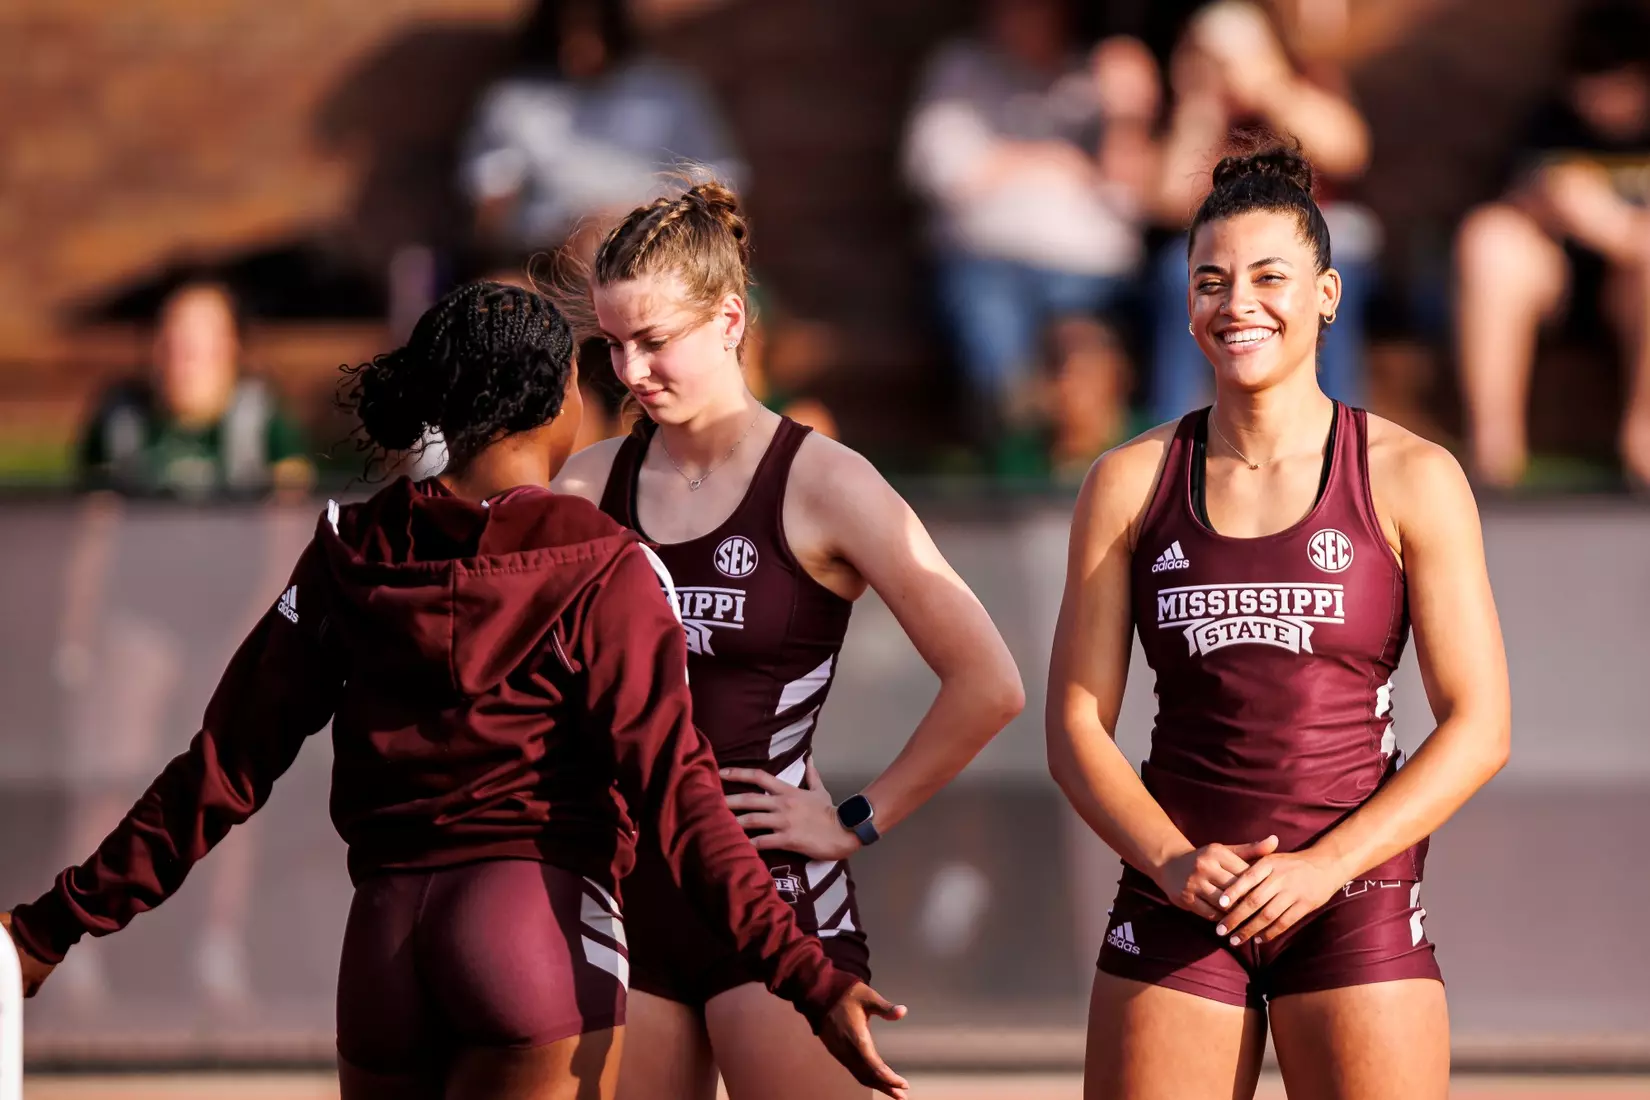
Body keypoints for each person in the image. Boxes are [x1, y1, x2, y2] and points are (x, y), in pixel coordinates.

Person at [3, 281, 911, 1100]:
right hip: (536, 942)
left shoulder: (349, 546)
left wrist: (50, 927)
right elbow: (681, 797)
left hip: (381, 954)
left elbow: (222, 767)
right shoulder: (607, 565)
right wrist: (809, 975)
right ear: (560, 402)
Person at [1046, 143, 1511, 1099]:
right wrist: (1174, 863)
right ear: (1185, 302)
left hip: (1354, 894)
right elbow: (1075, 724)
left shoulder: (1412, 476)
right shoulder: (1129, 482)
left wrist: (1322, 868)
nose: (1237, 303)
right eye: (1210, 280)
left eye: (1270, 277)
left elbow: (1480, 726)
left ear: (1329, 294)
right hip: (1180, 893)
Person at [551, 180, 1026, 1099]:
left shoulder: (825, 481)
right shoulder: (585, 485)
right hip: (620, 903)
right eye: (613, 344)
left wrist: (857, 817)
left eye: (654, 342)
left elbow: (989, 682)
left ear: (730, 320)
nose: (631, 371)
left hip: (772, 903)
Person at [902, 0, 1159, 463]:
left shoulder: (1100, 73)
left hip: (1092, 274)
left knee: (1093, 356)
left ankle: (1106, 469)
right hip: (991, 264)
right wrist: (1054, 159)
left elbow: (1133, 197)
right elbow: (935, 168)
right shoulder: (962, 70)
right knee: (994, 334)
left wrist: (1129, 118)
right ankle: (1013, 461)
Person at [1149, 0, 1376, 422]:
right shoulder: (1203, 109)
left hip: (1318, 237)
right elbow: (1167, 201)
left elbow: (1348, 152)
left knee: (1320, 273)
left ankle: (1343, 430)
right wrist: (1200, 108)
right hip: (1228, 250)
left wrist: (1270, 87)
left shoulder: (1304, 80)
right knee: (1176, 273)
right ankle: (1174, 434)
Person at [1455, 0, 1650, 489]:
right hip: (1555, 282)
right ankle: (1494, 454)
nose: (1602, 100)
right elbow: (1508, 203)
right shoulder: (1549, 124)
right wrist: (1553, 200)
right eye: (1590, 86)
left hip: (1635, 292)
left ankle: (1643, 444)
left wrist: (1619, 230)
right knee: (1489, 240)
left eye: (1617, 84)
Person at [461, 0, 746, 258]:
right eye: (567, 31)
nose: (579, 45)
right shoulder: (514, 102)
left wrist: (632, 223)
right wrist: (562, 240)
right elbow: (491, 216)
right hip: (550, 261)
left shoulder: (670, 93)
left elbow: (721, 195)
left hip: (662, 255)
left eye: (593, 30)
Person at [78, 279, 314, 499]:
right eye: (175, 338)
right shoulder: (120, 421)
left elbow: (291, 515)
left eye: (203, 339)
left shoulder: (262, 418)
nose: (186, 356)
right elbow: (95, 521)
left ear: (232, 346)